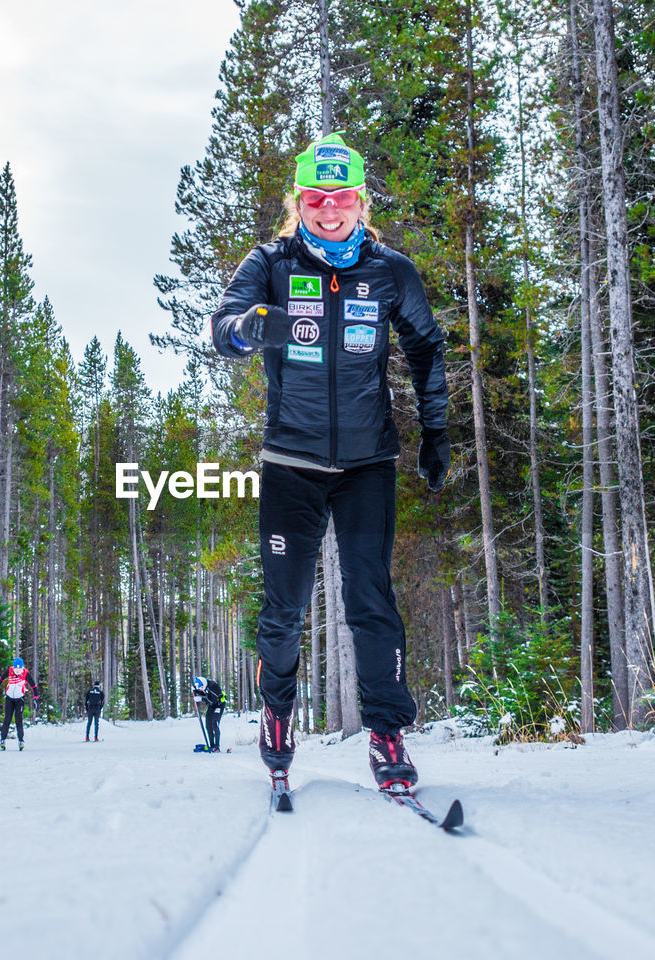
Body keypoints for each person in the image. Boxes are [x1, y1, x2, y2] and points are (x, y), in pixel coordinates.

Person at [210, 132, 449, 791]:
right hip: (292, 461)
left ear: (361, 202)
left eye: (341, 197)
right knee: (285, 607)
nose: (329, 209)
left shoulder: (388, 270)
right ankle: (278, 713)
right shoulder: (273, 263)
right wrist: (248, 326)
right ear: (299, 204)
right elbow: (224, 325)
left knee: (371, 598)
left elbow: (426, 348)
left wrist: (436, 432)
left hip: (368, 463)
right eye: (316, 198)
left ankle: (387, 734)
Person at [0, 657, 39, 751]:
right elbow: (1, 679)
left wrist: (36, 699)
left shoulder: (25, 673)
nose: (17, 670)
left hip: (19, 699)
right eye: (16, 668)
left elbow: (33, 686)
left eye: (19, 668)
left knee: (19, 720)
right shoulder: (9, 671)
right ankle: (2, 740)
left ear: (22, 667)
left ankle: (21, 741)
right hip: (9, 698)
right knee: (7, 720)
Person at [192, 676, 225, 753]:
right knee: (208, 725)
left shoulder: (213, 687)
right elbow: (202, 691)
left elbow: (213, 700)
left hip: (219, 705)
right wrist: (195, 691)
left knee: (214, 724)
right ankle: (212, 745)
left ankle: (217, 746)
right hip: (212, 705)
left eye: (201, 687)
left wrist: (202, 699)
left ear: (204, 684)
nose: (201, 689)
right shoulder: (204, 686)